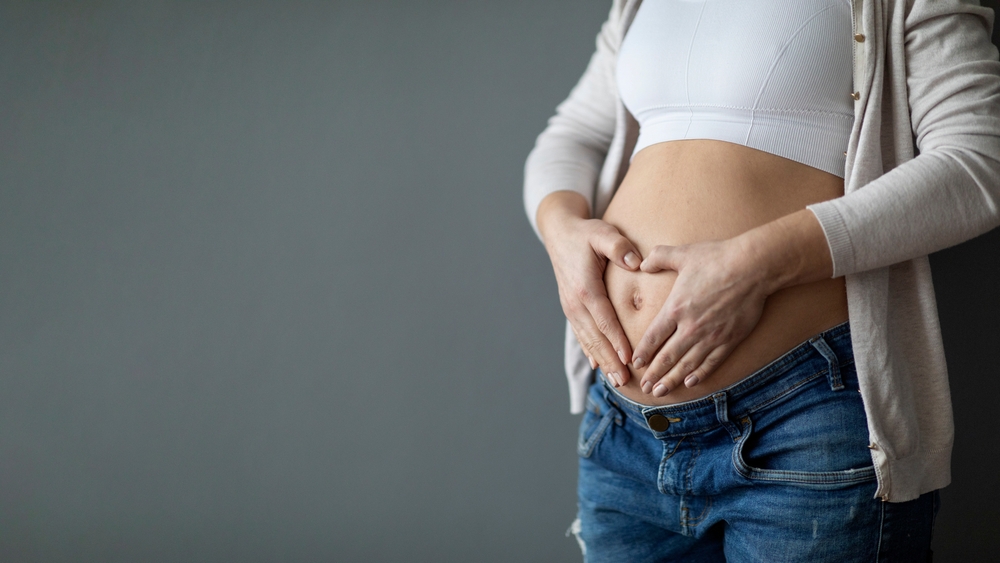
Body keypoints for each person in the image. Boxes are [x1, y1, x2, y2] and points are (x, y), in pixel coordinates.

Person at [523, 0, 1000, 560]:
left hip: (802, 421)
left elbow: (976, 161)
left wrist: (756, 265)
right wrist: (562, 236)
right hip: (625, 433)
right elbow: (573, 133)